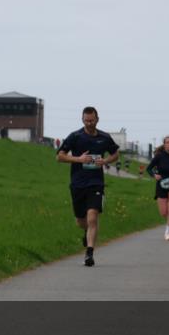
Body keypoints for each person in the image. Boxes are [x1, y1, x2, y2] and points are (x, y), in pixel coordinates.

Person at [56, 107, 120, 266]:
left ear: (97, 119)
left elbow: (115, 154)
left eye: (92, 120)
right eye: (86, 120)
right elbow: (60, 156)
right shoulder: (75, 136)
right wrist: (79, 159)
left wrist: (105, 161)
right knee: (80, 220)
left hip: (96, 183)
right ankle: (86, 232)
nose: (89, 123)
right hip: (78, 183)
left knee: (92, 217)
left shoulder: (104, 137)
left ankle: (89, 253)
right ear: (82, 120)